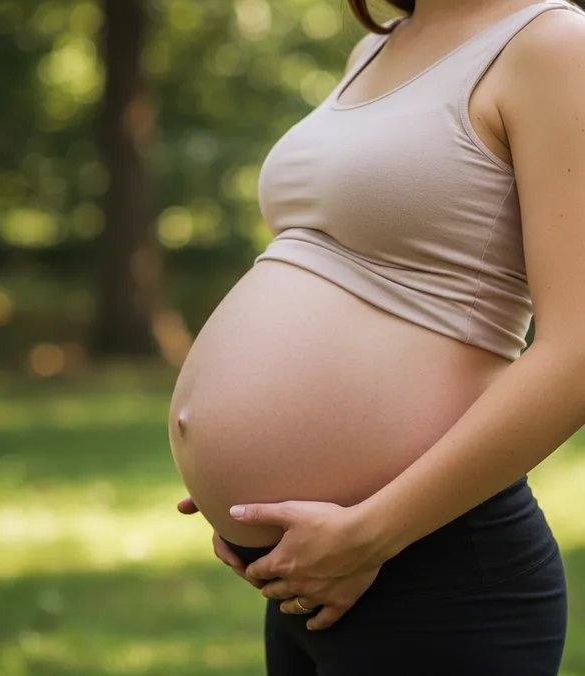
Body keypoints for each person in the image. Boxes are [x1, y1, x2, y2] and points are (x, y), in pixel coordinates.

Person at [168, 0, 585, 673]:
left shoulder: (555, 45)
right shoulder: (378, 47)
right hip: (314, 573)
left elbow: (577, 354)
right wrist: (235, 483)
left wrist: (370, 533)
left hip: (431, 564)